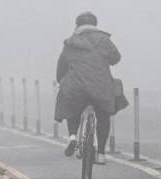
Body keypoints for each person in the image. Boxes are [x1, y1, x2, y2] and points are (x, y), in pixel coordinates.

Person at [54, 11, 128, 164]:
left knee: (72, 107)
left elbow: (61, 65)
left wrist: (61, 80)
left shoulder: (70, 42)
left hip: (76, 85)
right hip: (100, 86)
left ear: (77, 25)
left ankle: (73, 136)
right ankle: (101, 153)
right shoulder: (104, 40)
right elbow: (116, 58)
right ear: (95, 25)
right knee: (103, 115)